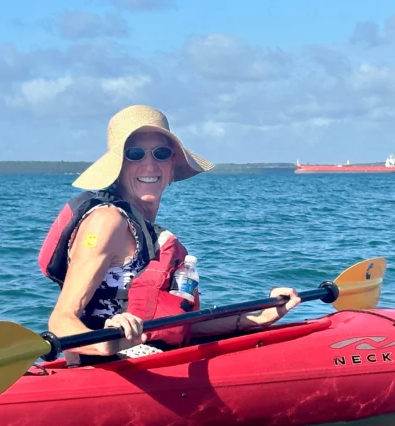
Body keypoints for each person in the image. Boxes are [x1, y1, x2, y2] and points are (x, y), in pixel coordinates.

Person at [38, 104, 301, 366]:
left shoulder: (144, 229)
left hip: (150, 361)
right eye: (135, 154)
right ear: (118, 165)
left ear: (172, 164)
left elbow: (177, 326)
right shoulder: (108, 221)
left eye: (161, 153)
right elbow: (60, 322)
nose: (150, 164)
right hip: (104, 372)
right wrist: (108, 340)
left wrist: (259, 316)